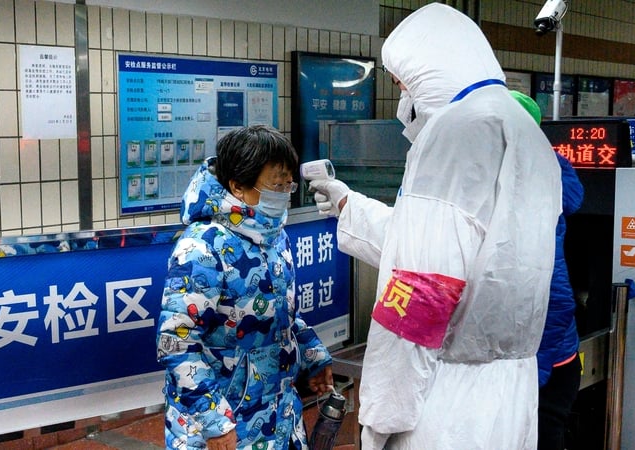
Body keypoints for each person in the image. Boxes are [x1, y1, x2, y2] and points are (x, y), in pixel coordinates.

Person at [309, 4, 562, 449]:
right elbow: (466, 257)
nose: (402, 97)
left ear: (430, 72)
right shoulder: (522, 129)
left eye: (401, 83)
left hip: (442, 406)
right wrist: (350, 205)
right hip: (508, 400)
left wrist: (381, 416)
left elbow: (423, 289)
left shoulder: (454, 131)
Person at [156, 125, 334, 450]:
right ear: (238, 186)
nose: (284, 192)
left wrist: (314, 357)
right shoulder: (201, 248)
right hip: (222, 427)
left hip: (278, 419)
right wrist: (214, 421)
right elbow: (176, 343)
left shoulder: (275, 236)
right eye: (275, 184)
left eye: (287, 183)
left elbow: (284, 317)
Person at [511, 91, 584, 450]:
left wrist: (532, 375)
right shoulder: (535, 187)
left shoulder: (537, 206)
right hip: (535, 361)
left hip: (550, 365)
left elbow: (557, 301)